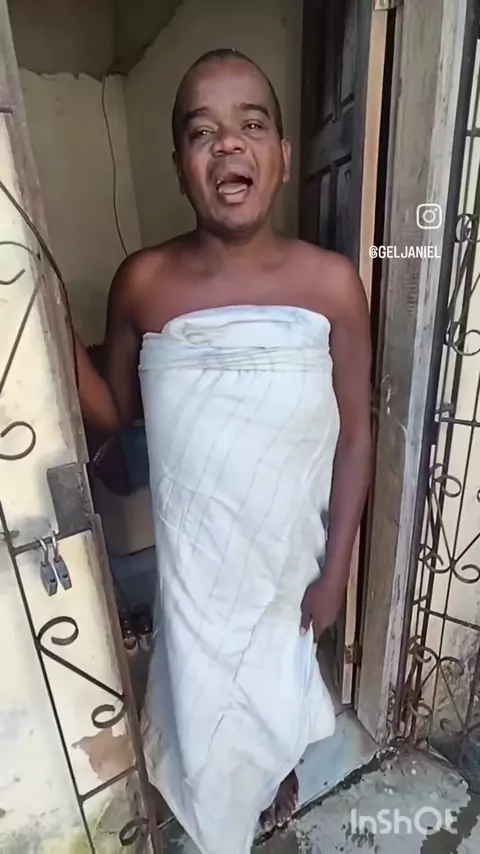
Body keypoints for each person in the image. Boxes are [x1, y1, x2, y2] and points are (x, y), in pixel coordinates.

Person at [76, 49, 371, 854]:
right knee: (203, 709)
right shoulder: (144, 283)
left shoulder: (332, 284)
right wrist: (53, 323)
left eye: (252, 125)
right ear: (180, 165)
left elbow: (356, 435)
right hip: (197, 568)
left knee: (275, 691)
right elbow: (112, 414)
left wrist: (336, 571)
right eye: (202, 132)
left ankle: (275, 771)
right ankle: (217, 813)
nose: (229, 143)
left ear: (283, 157)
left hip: (286, 560)